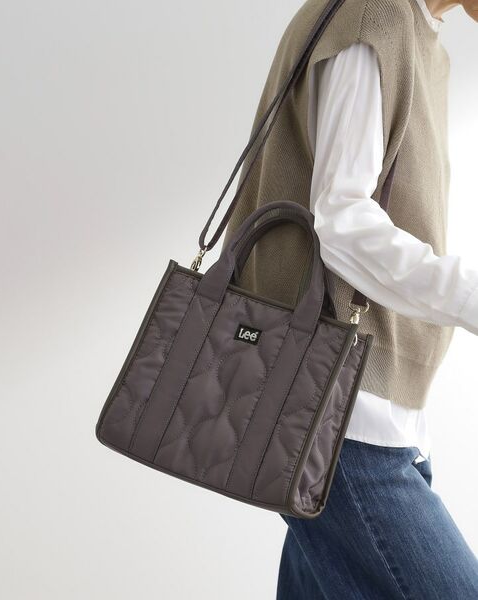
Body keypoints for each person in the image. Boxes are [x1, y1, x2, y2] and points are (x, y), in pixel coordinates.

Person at [219, 0, 478, 597]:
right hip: (339, 423)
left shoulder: (417, 35)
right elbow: (343, 223)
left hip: (369, 416)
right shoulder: (374, 18)